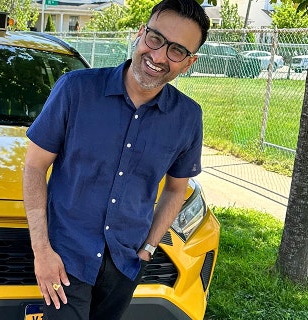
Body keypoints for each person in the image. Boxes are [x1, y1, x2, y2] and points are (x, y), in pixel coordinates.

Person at [22, 0, 210, 319]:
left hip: (125, 263)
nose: (160, 56)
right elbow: (34, 166)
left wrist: (149, 248)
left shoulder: (187, 117)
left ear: (188, 62)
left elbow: (177, 189)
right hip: (67, 258)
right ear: (141, 34)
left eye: (177, 50)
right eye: (156, 39)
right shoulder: (76, 90)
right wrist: (42, 250)